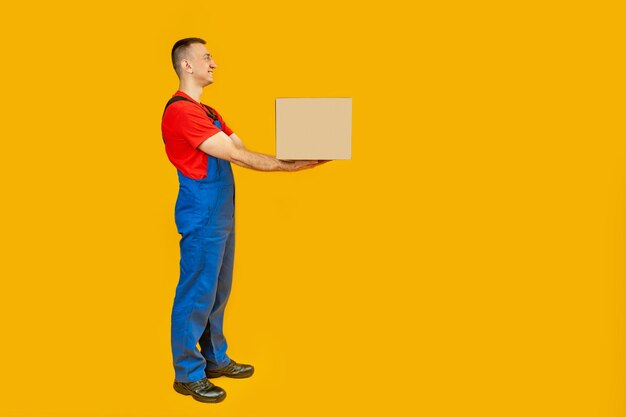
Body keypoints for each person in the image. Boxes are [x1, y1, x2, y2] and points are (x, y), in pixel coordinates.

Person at [161, 37, 324, 403]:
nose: (214, 63)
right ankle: (187, 373)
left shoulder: (209, 112)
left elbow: (241, 146)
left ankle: (214, 358)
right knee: (196, 291)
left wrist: (302, 149)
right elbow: (237, 155)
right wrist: (289, 166)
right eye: (206, 57)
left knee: (218, 288)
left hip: (220, 211)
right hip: (201, 212)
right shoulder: (180, 111)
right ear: (186, 65)